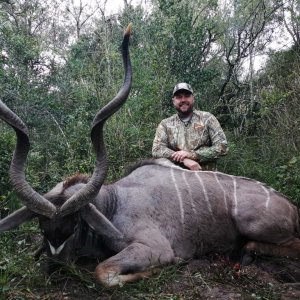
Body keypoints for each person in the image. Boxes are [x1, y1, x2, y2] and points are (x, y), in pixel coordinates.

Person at [152, 82, 228, 171]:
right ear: (173, 101)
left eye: (187, 96)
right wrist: (184, 159)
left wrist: (192, 155)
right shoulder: (165, 124)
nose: (183, 100)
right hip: (175, 179)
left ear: (193, 98)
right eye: (179, 97)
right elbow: (157, 150)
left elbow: (222, 147)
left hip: (206, 178)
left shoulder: (207, 118)